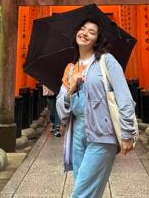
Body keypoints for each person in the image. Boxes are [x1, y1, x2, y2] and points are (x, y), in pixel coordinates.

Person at [56, 18, 137, 198]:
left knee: (81, 193)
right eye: (82, 29)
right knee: (84, 187)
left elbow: (124, 97)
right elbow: (61, 106)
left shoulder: (106, 61)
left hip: (102, 134)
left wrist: (128, 132)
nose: (85, 33)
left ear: (97, 39)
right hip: (78, 134)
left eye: (91, 32)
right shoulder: (70, 69)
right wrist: (72, 88)